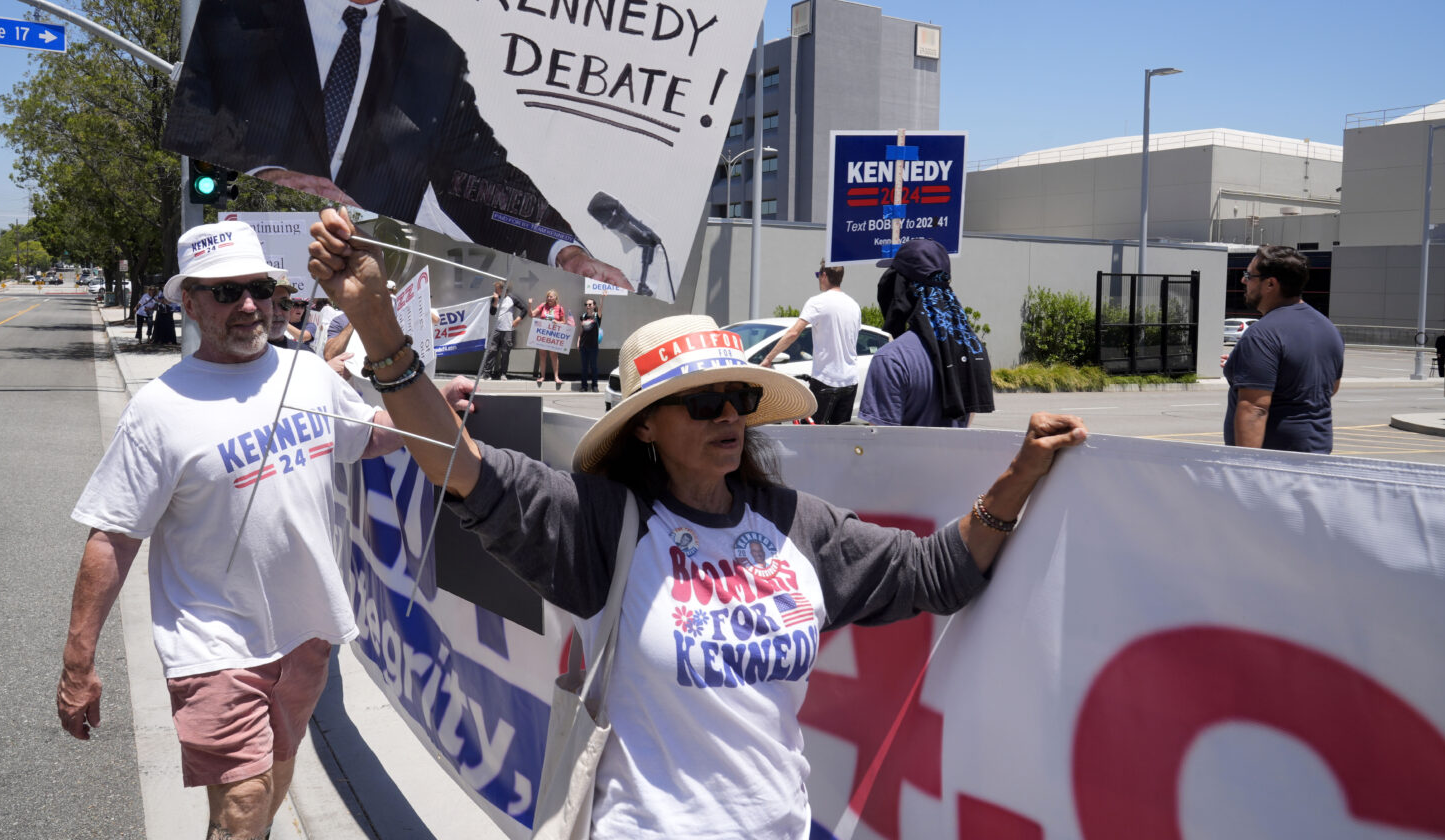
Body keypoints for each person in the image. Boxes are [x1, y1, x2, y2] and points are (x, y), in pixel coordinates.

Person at [305, 207, 1088, 839]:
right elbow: (454, 462)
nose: (728, 418)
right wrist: (378, 326)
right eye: (703, 403)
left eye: (740, 399)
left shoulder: (797, 526)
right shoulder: (604, 525)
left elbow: (934, 573)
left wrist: (1017, 481)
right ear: (645, 425)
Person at [161, 0, 628, 289]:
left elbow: (484, 178)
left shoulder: (435, 53)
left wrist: (563, 250)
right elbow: (193, 121)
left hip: (370, 295)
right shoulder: (225, 1)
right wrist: (267, 174)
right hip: (253, 278)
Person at [54, 220, 410, 840]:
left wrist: (431, 408)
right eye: (225, 292)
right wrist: (78, 662)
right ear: (188, 303)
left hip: (306, 632)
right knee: (244, 800)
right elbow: (113, 537)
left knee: (271, 781)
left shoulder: (308, 373)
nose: (248, 305)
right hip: (212, 643)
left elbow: (365, 436)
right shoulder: (160, 409)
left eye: (258, 288)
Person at [859, 238, 994, 427]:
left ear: (899, 286)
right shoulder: (974, 351)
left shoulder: (892, 359)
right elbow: (966, 422)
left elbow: (879, 441)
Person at [1224, 244, 1344, 454]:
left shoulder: (1262, 334)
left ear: (1270, 284)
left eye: (1249, 275)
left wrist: (1244, 470)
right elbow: (1329, 388)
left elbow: (1255, 409)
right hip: (1318, 454)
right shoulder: (1328, 329)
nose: (1244, 280)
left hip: (1276, 466)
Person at [761, 261, 861, 424]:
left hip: (826, 378)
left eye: (818, 275)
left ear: (824, 275)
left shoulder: (818, 302)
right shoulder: (854, 305)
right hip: (850, 381)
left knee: (809, 433)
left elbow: (793, 333)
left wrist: (768, 358)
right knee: (840, 436)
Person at [531, 289, 571, 387]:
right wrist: (529, 305)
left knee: (554, 356)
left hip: (554, 335)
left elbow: (564, 322)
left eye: (551, 296)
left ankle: (556, 377)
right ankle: (542, 376)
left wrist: (557, 322)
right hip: (543, 334)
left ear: (555, 298)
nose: (549, 298)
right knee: (542, 356)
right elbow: (532, 314)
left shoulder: (560, 308)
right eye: (548, 296)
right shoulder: (543, 305)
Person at [487, 281, 526, 380]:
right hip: (496, 329)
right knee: (492, 350)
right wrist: (495, 301)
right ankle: (487, 372)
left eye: (497, 289)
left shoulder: (512, 298)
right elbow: (492, 312)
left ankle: (503, 373)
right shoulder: (495, 299)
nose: (495, 291)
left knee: (505, 352)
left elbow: (524, 309)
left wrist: (518, 320)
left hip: (508, 329)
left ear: (503, 289)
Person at [578, 296, 603, 392]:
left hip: (593, 346)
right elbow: (582, 330)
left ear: (594, 306)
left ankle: (594, 386)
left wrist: (602, 299)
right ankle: (584, 386)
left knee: (593, 366)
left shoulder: (597, 316)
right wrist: (578, 341)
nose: (588, 306)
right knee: (584, 367)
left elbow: (600, 310)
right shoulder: (583, 316)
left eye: (590, 304)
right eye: (586, 305)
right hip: (583, 345)